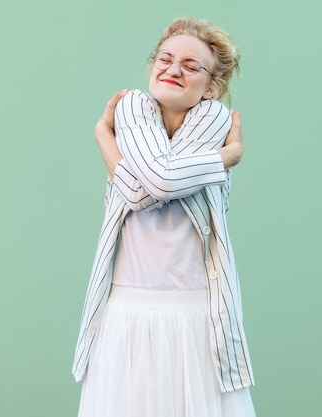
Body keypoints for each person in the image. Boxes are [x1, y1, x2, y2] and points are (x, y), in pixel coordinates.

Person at [73, 17, 256, 417]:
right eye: (166, 58)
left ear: (211, 88)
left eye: (191, 66)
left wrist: (109, 145)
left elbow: (157, 182)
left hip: (197, 317)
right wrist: (225, 157)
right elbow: (153, 186)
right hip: (125, 313)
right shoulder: (135, 107)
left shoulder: (214, 118)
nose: (173, 69)